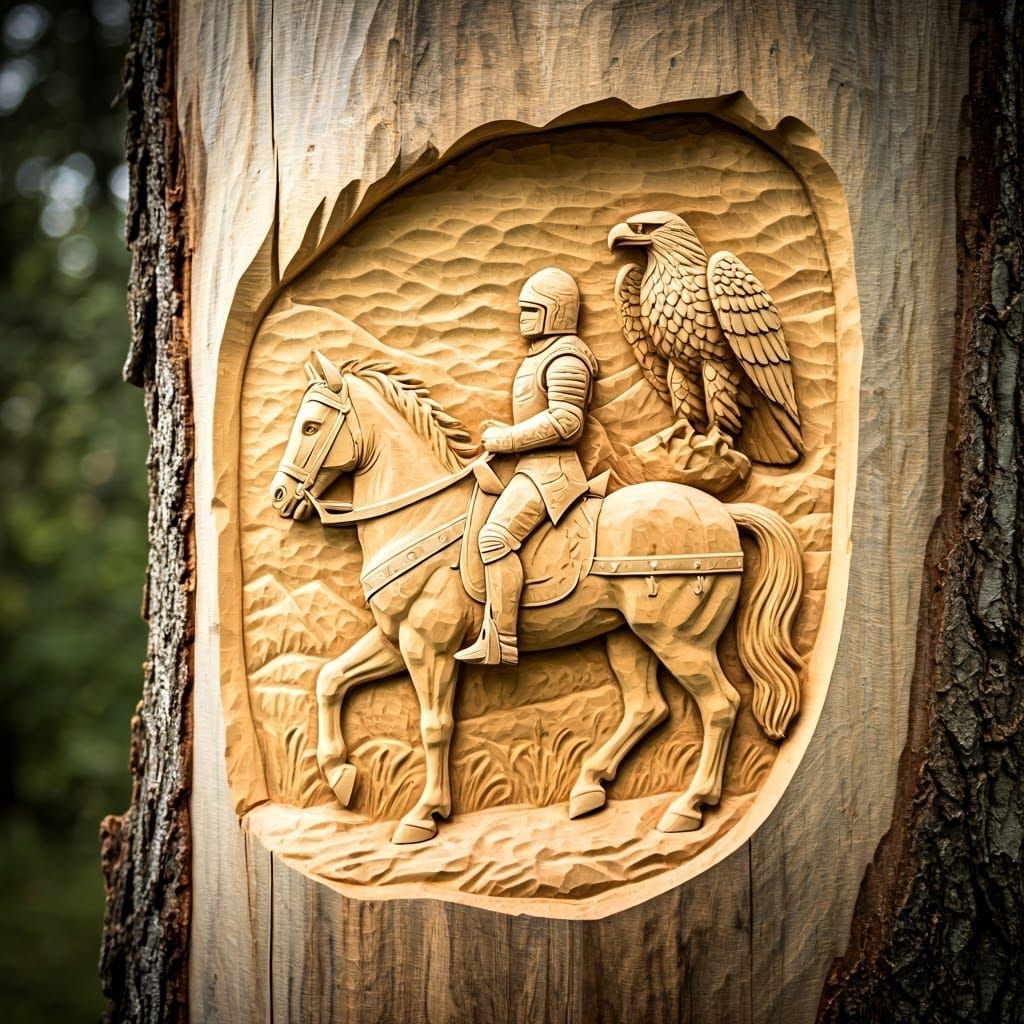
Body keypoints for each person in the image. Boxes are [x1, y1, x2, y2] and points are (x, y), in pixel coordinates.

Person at [455, 267, 598, 666]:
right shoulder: (543, 354)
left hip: (550, 473)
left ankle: (501, 641)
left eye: (532, 310)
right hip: (528, 469)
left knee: (494, 539)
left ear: (556, 312)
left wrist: (508, 438)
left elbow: (567, 421)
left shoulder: (566, 357)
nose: (523, 318)